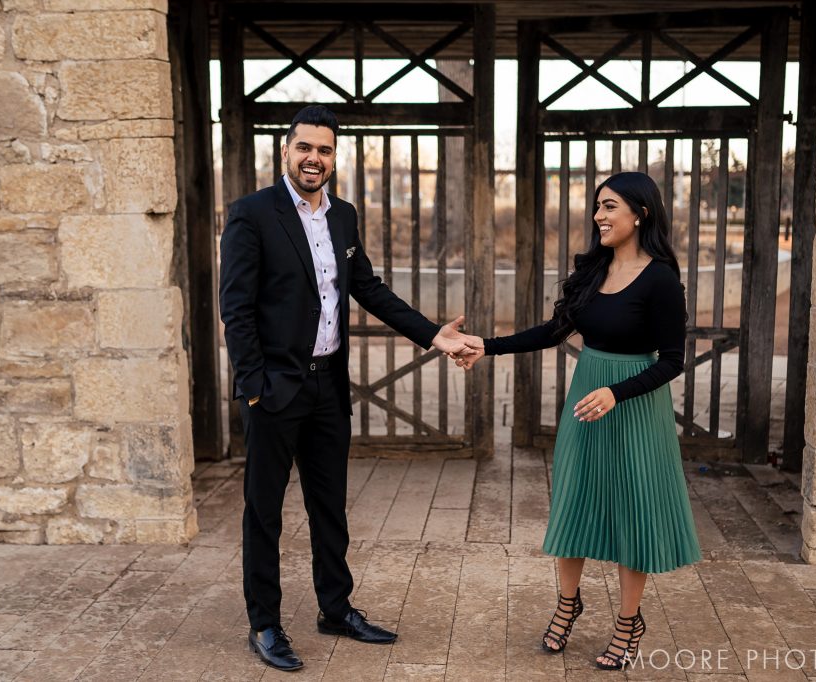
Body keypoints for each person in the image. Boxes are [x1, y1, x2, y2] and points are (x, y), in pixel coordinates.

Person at [219, 105, 481, 671]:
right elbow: (235, 309)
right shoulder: (251, 215)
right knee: (263, 512)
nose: (315, 158)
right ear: (285, 152)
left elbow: (369, 288)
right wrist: (254, 386)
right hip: (274, 390)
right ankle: (264, 622)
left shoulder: (343, 216)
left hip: (327, 388)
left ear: (335, 158)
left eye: (325, 150)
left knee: (329, 506)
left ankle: (335, 609)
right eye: (305, 148)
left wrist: (435, 335)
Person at [458, 172, 701, 670]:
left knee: (634, 513)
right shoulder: (594, 272)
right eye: (597, 207)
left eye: (610, 206)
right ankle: (568, 603)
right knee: (575, 503)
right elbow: (553, 331)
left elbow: (673, 361)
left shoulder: (660, 279)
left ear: (641, 213)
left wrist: (616, 391)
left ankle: (628, 622)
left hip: (634, 406)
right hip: (587, 403)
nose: (599, 216)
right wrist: (487, 345)